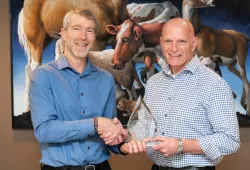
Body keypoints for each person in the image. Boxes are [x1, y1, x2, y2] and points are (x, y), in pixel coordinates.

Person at [113, 18, 240, 169]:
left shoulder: (214, 84)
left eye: (181, 41)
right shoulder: (154, 83)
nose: (174, 48)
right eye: (168, 41)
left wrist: (182, 145)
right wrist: (126, 136)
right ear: (161, 42)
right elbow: (144, 125)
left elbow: (230, 140)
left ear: (194, 43)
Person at [29, 9, 127, 170]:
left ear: (94, 37)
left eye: (89, 30)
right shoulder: (43, 76)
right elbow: (44, 131)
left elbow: (109, 131)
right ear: (64, 34)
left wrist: (122, 146)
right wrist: (95, 124)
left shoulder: (106, 79)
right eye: (76, 29)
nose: (83, 36)